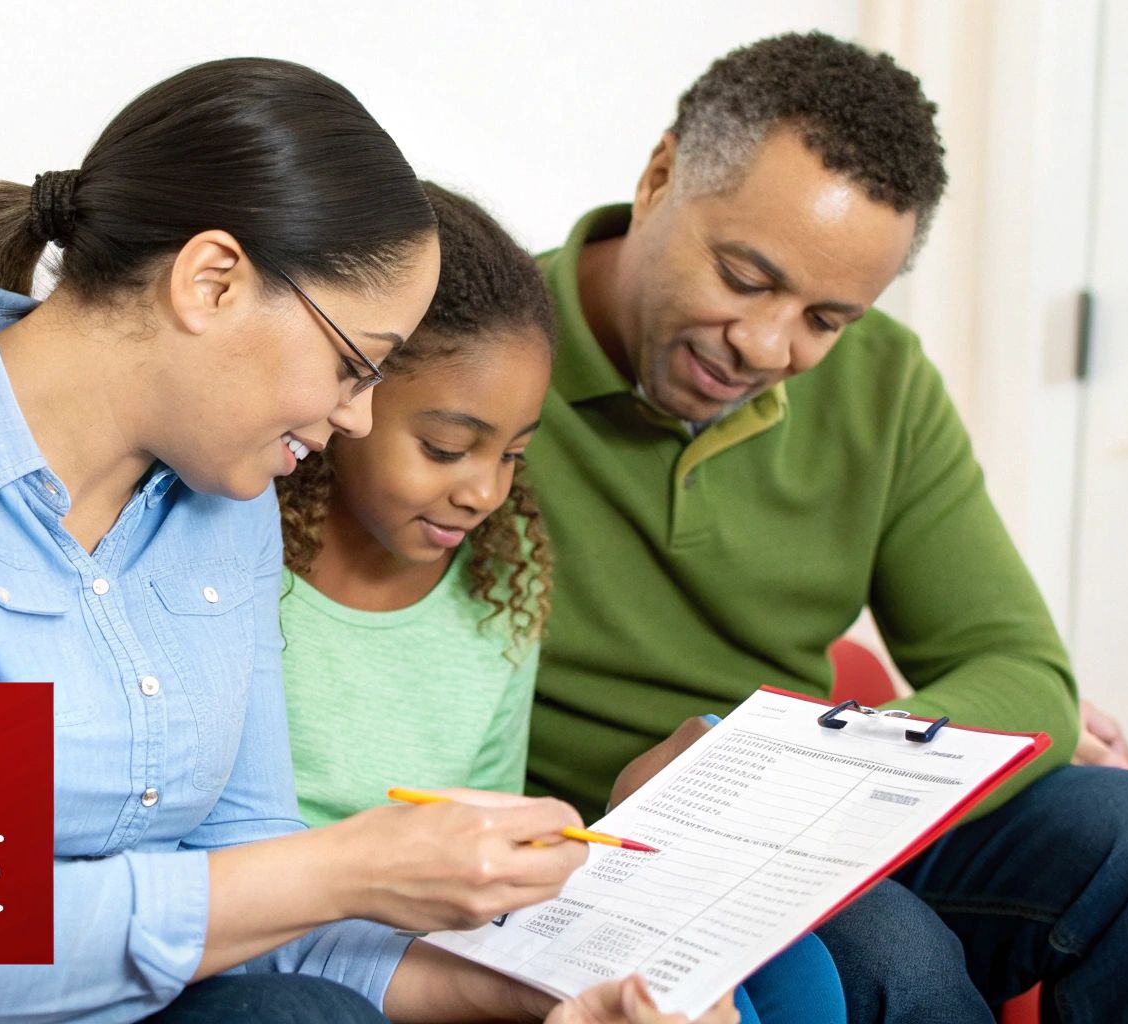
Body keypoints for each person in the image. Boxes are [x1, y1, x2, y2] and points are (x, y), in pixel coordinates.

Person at [0, 58, 731, 1024]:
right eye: (352, 362)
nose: (354, 417)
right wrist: (350, 866)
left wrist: (542, 995)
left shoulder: (220, 517)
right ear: (212, 282)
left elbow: (269, 914)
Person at [521, 31, 1128, 1023]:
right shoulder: (482, 358)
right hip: (612, 835)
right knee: (889, 957)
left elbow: (1022, 669)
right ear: (658, 177)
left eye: (825, 319)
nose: (765, 346)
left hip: (824, 813)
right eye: (743, 277)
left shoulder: (886, 382)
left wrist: (788, 762)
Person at [277, 182, 843, 1024]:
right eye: (445, 448)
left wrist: (623, 832)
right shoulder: (248, 573)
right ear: (346, 396)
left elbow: (492, 824)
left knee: (800, 972)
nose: (483, 492)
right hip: (319, 937)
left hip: (454, 924)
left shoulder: (501, 587)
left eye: (513, 455)